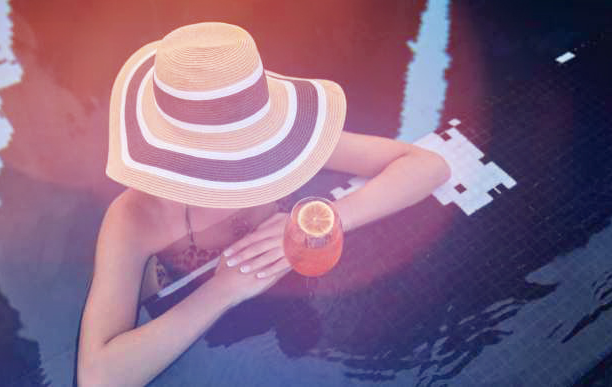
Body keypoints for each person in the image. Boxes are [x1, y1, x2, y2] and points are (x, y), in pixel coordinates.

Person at [77, 22, 451, 386]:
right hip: (181, 306)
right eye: (229, 170)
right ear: (175, 163)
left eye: (249, 161)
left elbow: (428, 165)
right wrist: (223, 290)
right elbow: (98, 376)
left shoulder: (283, 146)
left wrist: (329, 218)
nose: (249, 180)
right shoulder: (134, 219)